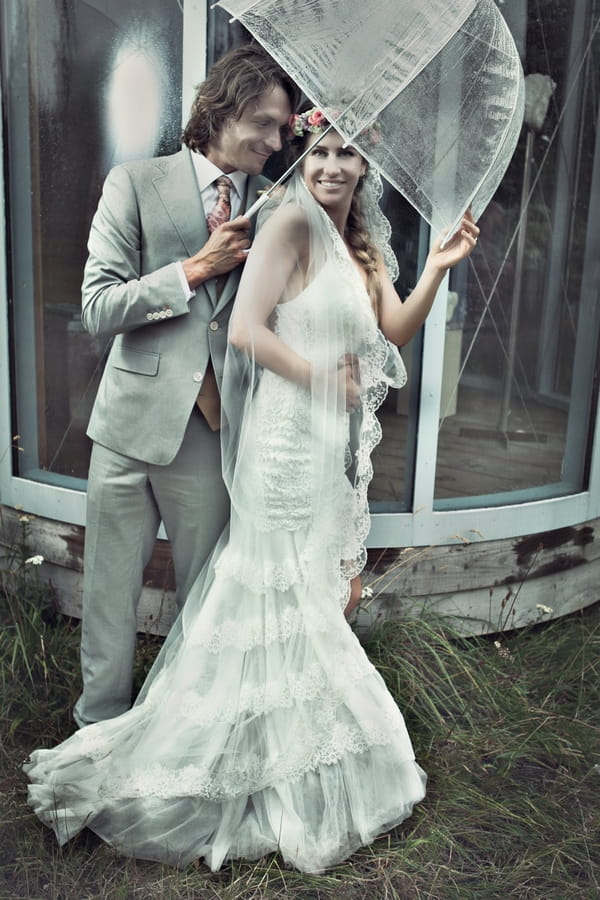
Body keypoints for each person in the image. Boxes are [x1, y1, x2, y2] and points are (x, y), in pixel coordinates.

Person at [25, 107, 479, 872]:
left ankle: (283, 750)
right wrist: (322, 379)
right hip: (282, 439)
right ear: (303, 158)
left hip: (324, 441)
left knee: (311, 590)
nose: (332, 166)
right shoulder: (291, 227)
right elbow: (245, 331)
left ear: (366, 170)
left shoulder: (356, 246)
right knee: (274, 590)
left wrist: (437, 264)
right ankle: (218, 754)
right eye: (320, 151)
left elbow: (392, 331)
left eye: (348, 157)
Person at [73, 45, 300, 728]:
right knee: (109, 594)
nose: (274, 140)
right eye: (264, 122)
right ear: (221, 110)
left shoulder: (282, 206)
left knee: (206, 602)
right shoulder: (134, 183)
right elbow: (98, 308)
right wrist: (195, 269)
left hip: (213, 433)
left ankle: (182, 734)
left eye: (284, 129)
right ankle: (98, 726)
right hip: (127, 427)